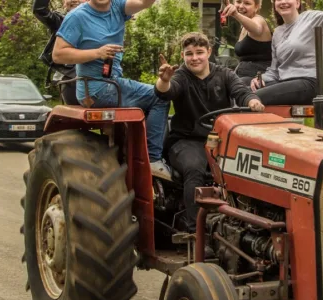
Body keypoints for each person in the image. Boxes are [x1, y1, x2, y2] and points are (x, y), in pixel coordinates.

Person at [154, 32, 264, 233]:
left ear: (209, 52)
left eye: (199, 52)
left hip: (219, 139)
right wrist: (163, 80)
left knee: (250, 165)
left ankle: (246, 225)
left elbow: (241, 91)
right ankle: (194, 229)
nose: (194, 58)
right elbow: (166, 91)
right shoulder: (180, 77)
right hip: (186, 140)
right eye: (189, 54)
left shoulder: (224, 74)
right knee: (194, 168)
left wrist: (252, 101)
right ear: (182, 56)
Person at [52, 0, 172, 178]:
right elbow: (58, 54)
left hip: (113, 83)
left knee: (154, 96)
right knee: (159, 96)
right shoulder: (77, 16)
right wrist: (97, 53)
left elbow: (144, 3)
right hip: (96, 89)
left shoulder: (117, 7)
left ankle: (133, 153)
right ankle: (153, 159)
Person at [250, 0, 323, 105]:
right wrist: (260, 79)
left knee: (253, 97)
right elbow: (274, 70)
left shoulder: (312, 19)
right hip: (284, 82)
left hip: (309, 82)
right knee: (243, 91)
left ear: (297, 3)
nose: (283, 2)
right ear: (275, 6)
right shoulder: (278, 32)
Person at [32, 0, 86, 105]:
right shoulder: (61, 21)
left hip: (98, 78)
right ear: (64, 3)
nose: (75, 0)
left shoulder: (100, 21)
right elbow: (40, 10)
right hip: (71, 78)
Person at [220, 0, 272, 85]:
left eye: (247, 3)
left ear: (257, 6)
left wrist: (236, 14)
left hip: (257, 79)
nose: (241, 6)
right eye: (238, 2)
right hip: (241, 76)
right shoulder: (244, 26)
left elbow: (257, 29)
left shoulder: (259, 20)